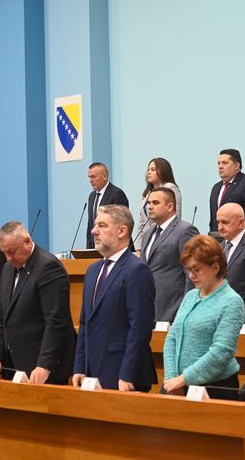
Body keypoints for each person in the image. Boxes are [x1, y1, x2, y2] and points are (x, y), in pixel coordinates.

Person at [73, 205, 157, 391]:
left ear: (122, 231)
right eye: (95, 225)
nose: (94, 231)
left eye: (102, 225)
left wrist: (127, 373)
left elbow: (140, 329)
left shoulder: (137, 270)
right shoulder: (92, 270)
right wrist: (79, 366)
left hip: (123, 376)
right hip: (91, 372)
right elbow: (85, 322)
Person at [0, 222, 76, 384]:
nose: (8, 258)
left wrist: (44, 364)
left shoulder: (48, 267)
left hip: (41, 367)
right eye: (4, 253)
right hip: (12, 365)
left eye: (12, 252)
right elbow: (1, 317)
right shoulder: (8, 268)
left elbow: (56, 321)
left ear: (27, 242)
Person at [163, 235, 244, 400]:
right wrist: (171, 379)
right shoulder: (190, 296)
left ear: (215, 267)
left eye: (196, 269)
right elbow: (172, 338)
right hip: (177, 385)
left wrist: (183, 379)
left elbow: (221, 352)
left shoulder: (232, 301)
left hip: (215, 389)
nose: (191, 275)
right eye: (188, 269)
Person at [141, 187, 199, 321]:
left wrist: (186, 308)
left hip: (173, 309)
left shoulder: (185, 230)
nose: (150, 207)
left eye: (155, 203)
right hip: (148, 309)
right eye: (149, 203)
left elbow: (192, 274)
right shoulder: (147, 234)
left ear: (170, 207)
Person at [209, 149, 245, 241]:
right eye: (218, 163)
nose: (220, 166)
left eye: (224, 163)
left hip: (243, 243)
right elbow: (213, 221)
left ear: (236, 166)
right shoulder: (216, 188)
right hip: (220, 243)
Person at [134, 157, 183, 253]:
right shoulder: (147, 193)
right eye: (148, 169)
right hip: (147, 241)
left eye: (153, 169)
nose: (148, 172)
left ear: (163, 171)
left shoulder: (170, 188)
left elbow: (176, 216)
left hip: (165, 241)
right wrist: (138, 249)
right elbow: (142, 223)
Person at [216, 203, 245, 303]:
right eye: (218, 222)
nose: (220, 227)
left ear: (241, 223)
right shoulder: (218, 247)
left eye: (225, 222)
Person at [86, 162, 129, 249]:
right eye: (89, 177)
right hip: (96, 248)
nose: (90, 180)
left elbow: (120, 224)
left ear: (105, 176)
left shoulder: (117, 194)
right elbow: (90, 224)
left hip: (113, 248)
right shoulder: (92, 196)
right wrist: (89, 249)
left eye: (93, 176)